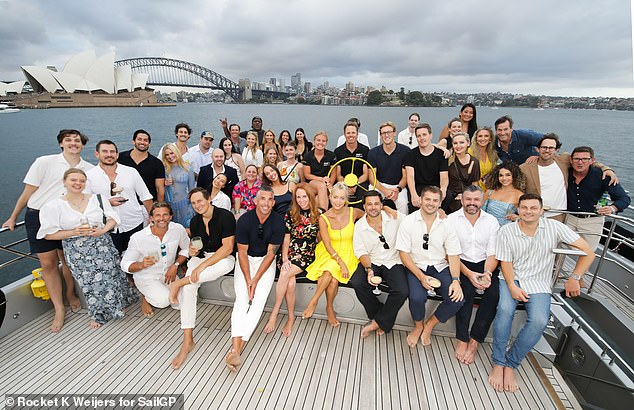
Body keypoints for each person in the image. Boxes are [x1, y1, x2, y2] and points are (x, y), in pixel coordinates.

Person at [488, 193, 595, 392]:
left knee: (539, 321)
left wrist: (575, 277)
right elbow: (506, 263)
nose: (528, 211)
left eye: (533, 208)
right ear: (518, 210)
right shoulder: (507, 231)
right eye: (524, 208)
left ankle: (511, 364)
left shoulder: (554, 227)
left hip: (539, 282)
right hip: (512, 279)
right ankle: (498, 362)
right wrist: (512, 286)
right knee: (504, 310)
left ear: (541, 211)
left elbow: (588, 251)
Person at [3, 129, 93, 332]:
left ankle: (70, 294)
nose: (73, 143)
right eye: (68, 140)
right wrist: (13, 217)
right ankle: (59, 309)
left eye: (77, 141)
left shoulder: (88, 168)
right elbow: (28, 192)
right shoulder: (44, 162)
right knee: (48, 263)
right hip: (39, 216)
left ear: (82, 145)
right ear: (61, 143)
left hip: (68, 218)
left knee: (68, 260)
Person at [37, 168, 137, 329]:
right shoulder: (54, 206)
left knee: (112, 276)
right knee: (89, 283)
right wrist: (73, 232)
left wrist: (103, 230)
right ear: (64, 182)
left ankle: (119, 304)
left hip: (102, 243)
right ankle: (98, 314)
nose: (78, 183)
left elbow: (113, 218)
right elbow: (48, 234)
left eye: (81, 180)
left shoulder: (98, 199)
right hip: (77, 250)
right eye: (73, 180)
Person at [167, 188, 236, 369]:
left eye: (200, 201)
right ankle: (188, 340)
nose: (198, 205)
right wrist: (193, 251)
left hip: (222, 258)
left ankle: (180, 282)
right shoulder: (195, 221)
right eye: (194, 203)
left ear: (209, 199)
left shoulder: (225, 216)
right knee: (190, 288)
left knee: (226, 264)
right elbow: (197, 245)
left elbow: (228, 248)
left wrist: (203, 265)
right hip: (202, 258)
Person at [395, 185, 464, 347]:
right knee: (416, 298)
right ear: (420, 200)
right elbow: (403, 254)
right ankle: (418, 325)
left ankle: (430, 325)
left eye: (435, 200)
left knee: (458, 300)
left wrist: (456, 280)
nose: (431, 203)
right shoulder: (408, 221)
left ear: (440, 203)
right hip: (416, 267)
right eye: (427, 199)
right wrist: (421, 276)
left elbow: (453, 255)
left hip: (440, 267)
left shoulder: (447, 224)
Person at [226, 186, 285, 372]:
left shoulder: (278, 222)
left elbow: (270, 254)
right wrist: (248, 279)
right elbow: (241, 252)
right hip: (245, 261)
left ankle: (236, 349)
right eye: (262, 199)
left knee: (258, 302)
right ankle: (236, 349)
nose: (266, 203)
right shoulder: (244, 220)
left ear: (273, 202)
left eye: (269, 199)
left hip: (265, 263)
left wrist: (256, 279)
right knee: (242, 301)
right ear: (255, 201)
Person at [446, 186, 499, 364]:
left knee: (493, 296)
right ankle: (462, 338)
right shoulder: (451, 220)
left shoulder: (492, 222)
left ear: (482, 201)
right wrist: (469, 274)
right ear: (462, 200)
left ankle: (475, 340)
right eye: (468, 199)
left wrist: (487, 274)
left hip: (486, 264)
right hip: (460, 262)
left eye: (476, 200)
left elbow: (493, 253)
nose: (472, 203)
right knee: (465, 293)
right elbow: (450, 254)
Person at [303, 182, 365, 327]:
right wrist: (341, 263)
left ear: (346, 200)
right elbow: (327, 244)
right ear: (330, 197)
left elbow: (370, 215)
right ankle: (321, 304)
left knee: (333, 279)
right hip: (329, 251)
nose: (338, 201)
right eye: (335, 197)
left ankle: (320, 303)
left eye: (342, 198)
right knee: (331, 269)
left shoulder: (353, 212)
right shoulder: (323, 218)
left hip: (348, 251)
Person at [264, 183, 321, 336]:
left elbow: (321, 239)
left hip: (306, 255)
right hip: (289, 253)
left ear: (310, 197)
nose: (302, 200)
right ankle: (290, 317)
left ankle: (274, 313)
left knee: (285, 274)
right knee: (290, 280)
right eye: (298, 197)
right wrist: (285, 259)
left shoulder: (319, 214)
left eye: (304, 196)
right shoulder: (290, 214)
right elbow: (286, 238)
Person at [349, 191, 409, 337]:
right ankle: (381, 317)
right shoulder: (359, 226)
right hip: (373, 261)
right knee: (357, 282)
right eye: (369, 204)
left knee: (402, 291)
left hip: (394, 260)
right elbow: (361, 252)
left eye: (376, 203)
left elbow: (415, 219)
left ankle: (377, 322)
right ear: (364, 206)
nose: (373, 207)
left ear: (382, 205)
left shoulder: (394, 216)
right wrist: (369, 269)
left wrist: (439, 212)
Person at [520, 133, 616, 222]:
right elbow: (518, 189)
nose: (547, 150)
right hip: (534, 215)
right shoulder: (525, 168)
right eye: (544, 147)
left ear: (556, 150)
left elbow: (585, 160)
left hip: (559, 215)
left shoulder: (564, 160)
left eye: (551, 148)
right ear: (538, 149)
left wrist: (606, 169)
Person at [120, 202, 190, 318]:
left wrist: (175, 265)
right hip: (147, 277)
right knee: (163, 301)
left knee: (181, 304)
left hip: (169, 275)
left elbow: (186, 248)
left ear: (170, 216)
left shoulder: (178, 229)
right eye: (157, 215)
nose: (161, 218)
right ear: (151, 218)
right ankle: (145, 297)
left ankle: (158, 293)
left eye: (165, 215)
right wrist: (142, 264)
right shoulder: (138, 237)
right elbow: (124, 264)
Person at [85, 140, 153, 254]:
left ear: (117, 155)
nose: (109, 155)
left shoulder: (131, 172)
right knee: (111, 263)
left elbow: (146, 197)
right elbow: (86, 203)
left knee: (137, 258)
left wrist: (152, 219)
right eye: (105, 151)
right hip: (106, 228)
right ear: (97, 154)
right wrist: (107, 202)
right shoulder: (89, 176)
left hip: (133, 224)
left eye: (112, 152)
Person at [566, 146, 630, 251]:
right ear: (571, 160)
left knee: (587, 253)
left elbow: (624, 198)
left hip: (592, 221)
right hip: (569, 218)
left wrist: (612, 208)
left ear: (592, 160)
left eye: (585, 159)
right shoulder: (566, 172)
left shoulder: (602, 176)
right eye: (577, 159)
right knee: (562, 250)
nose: (580, 162)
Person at [404, 124, 449, 213]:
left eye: (424, 134)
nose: (421, 138)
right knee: (415, 206)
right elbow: (410, 176)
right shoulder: (410, 155)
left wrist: (442, 190)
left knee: (448, 197)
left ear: (430, 135)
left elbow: (444, 177)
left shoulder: (441, 154)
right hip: (418, 187)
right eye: (418, 136)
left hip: (435, 187)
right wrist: (413, 194)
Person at [367, 121, 410, 215]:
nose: (386, 135)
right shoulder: (373, 153)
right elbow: (372, 178)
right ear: (380, 135)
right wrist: (384, 190)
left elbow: (405, 176)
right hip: (378, 185)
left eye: (389, 132)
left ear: (394, 133)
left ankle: (402, 228)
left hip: (398, 186)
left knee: (403, 204)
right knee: (370, 202)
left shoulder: (405, 151)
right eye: (383, 133)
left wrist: (398, 190)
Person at [117, 129, 165, 202]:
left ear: (149, 144)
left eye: (145, 140)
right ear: (133, 141)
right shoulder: (120, 158)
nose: (142, 142)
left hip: (147, 204)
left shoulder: (157, 163)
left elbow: (160, 189)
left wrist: (159, 208)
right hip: (124, 203)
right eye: (139, 139)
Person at [334, 121, 370, 205]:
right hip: (343, 183)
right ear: (344, 134)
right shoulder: (338, 151)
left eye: (353, 133)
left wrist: (355, 184)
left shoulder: (365, 150)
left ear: (357, 134)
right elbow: (338, 175)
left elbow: (366, 174)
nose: (351, 135)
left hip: (360, 183)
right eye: (348, 133)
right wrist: (346, 185)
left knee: (363, 198)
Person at [161, 143, 195, 228]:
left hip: (184, 204)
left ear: (176, 153)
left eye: (172, 153)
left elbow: (192, 190)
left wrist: (192, 206)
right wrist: (164, 184)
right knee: (171, 229)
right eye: (167, 155)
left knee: (186, 228)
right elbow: (158, 188)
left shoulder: (187, 168)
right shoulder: (164, 169)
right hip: (169, 205)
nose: (170, 156)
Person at [446, 132, 480, 213]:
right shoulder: (448, 160)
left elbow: (474, 185)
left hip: (466, 197)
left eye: (461, 142)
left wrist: (466, 195)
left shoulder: (474, 162)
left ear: (468, 143)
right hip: (450, 197)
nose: (458, 146)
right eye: (455, 143)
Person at [302, 131, 337, 210]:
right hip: (312, 183)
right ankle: (325, 214)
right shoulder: (308, 156)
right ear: (314, 141)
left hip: (327, 183)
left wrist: (330, 183)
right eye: (318, 140)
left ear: (326, 143)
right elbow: (307, 175)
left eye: (323, 141)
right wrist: (321, 179)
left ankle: (318, 217)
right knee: (321, 186)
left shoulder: (331, 155)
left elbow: (334, 173)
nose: (320, 143)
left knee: (318, 199)